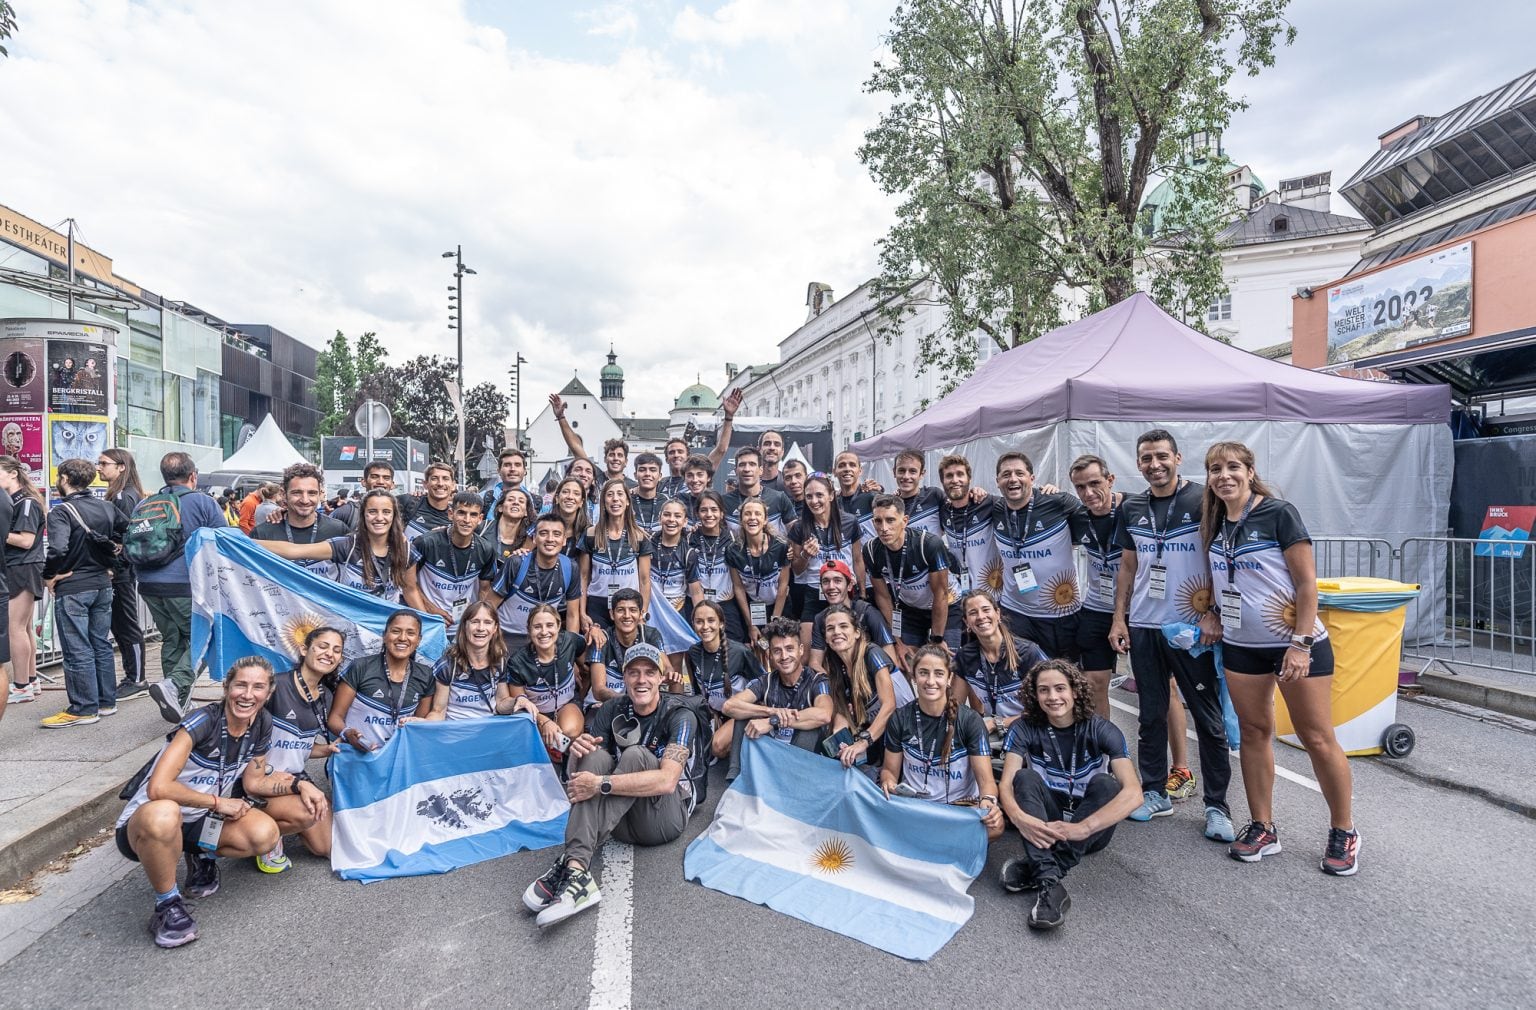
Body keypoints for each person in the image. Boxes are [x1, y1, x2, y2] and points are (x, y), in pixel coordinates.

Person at [1198, 441, 1358, 875]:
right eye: (1215, 469)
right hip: (1242, 645)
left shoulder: (1277, 513)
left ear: (1250, 471)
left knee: (1316, 737)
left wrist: (1301, 643)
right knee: (1253, 732)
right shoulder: (1214, 520)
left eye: (1233, 467)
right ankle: (1263, 826)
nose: (1224, 475)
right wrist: (1213, 612)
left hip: (1295, 645)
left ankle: (1343, 830)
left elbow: (1308, 585)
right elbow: (1222, 578)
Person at [116, 657, 327, 948]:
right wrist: (217, 802)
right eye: (240, 685)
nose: (248, 694)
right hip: (148, 820)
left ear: (268, 693)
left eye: (258, 687)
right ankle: (167, 905)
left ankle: (200, 854)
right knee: (165, 813)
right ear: (227, 687)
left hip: (199, 819)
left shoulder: (262, 722)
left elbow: (254, 782)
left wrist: (299, 783)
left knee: (264, 834)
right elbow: (159, 788)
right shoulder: (202, 721)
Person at [522, 642, 707, 928]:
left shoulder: (680, 714)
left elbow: (668, 781)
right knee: (595, 754)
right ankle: (576, 869)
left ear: (660, 678)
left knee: (636, 755)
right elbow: (580, 778)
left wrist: (600, 784)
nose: (641, 680)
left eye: (649, 672)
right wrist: (576, 755)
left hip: (663, 819)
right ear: (624, 678)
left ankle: (571, 859)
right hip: (619, 819)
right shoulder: (612, 708)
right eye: (633, 673)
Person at [1109, 429, 1234, 841]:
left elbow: (1222, 558)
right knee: (1151, 714)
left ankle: (1218, 807)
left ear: (1178, 458)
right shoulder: (1133, 506)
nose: (1154, 465)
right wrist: (1119, 618)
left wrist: (1215, 613)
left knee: (1208, 719)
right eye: (1146, 458)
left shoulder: (1203, 500)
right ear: (1139, 463)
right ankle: (1154, 791)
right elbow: (1127, 566)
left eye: (1161, 456)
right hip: (1144, 625)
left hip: (1190, 629)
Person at [996, 659, 1143, 930]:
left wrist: (1083, 827)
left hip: (1089, 829)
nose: (1053, 697)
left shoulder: (1101, 728)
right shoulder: (1024, 727)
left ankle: (1041, 873)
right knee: (1024, 777)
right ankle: (1051, 886)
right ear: (1034, 695)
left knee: (1106, 784)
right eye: (1044, 690)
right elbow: (1006, 784)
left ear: (1075, 691)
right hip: (1046, 821)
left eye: (1060, 688)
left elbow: (1134, 793)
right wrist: (1018, 818)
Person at [878, 646, 1003, 841]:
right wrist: (888, 782)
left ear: (949, 678)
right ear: (913, 677)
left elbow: (986, 780)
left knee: (995, 826)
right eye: (923, 673)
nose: (930, 681)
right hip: (917, 807)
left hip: (959, 806)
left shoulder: (969, 720)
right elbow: (889, 771)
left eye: (938, 674)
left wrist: (988, 800)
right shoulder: (900, 718)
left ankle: (932, 844)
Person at [142, 453, 230, 724]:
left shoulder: (146, 503)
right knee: (207, 638)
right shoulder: (203, 502)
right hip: (185, 584)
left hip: (148, 584)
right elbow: (224, 540)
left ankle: (177, 700)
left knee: (173, 639)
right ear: (193, 476)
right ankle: (176, 686)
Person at [988, 451, 1090, 661]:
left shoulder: (1058, 501)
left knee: (1063, 678)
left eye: (1019, 473)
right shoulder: (995, 508)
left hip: (1060, 613)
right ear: (997, 482)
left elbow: (1094, 514)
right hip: (1014, 611)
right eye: (1006, 475)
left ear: (1032, 479)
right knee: (1021, 677)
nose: (1013, 479)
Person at [40, 458, 116, 728]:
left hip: (74, 587)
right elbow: (124, 535)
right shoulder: (106, 507)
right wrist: (111, 565)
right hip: (102, 584)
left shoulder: (61, 512)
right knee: (100, 643)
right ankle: (106, 701)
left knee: (77, 648)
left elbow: (58, 549)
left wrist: (50, 575)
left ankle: (83, 707)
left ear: (64, 479)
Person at [261, 628, 345, 868]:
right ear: (304, 649)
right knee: (309, 812)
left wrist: (327, 749)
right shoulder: (276, 685)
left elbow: (300, 747)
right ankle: (265, 835)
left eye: (336, 650)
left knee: (325, 847)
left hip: (296, 777)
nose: (329, 653)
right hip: (263, 778)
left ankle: (283, 821)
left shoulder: (326, 695)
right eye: (322, 646)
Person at [721, 617, 833, 778]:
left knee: (811, 730)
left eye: (789, 648)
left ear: (801, 650)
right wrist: (771, 711)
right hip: (772, 751)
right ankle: (737, 778)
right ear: (770, 655)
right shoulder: (765, 681)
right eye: (777, 651)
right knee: (743, 716)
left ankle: (795, 782)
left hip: (801, 758)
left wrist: (773, 721)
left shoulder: (817, 680)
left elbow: (824, 714)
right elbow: (729, 706)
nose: (784, 656)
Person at [864, 494, 952, 669]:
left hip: (946, 605)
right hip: (911, 609)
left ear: (904, 521)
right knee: (905, 662)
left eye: (890, 520)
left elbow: (941, 595)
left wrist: (937, 639)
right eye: (878, 521)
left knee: (945, 665)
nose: (884, 528)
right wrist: (898, 642)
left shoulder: (929, 544)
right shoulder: (871, 550)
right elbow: (883, 597)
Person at [328, 610, 436, 751]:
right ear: (384, 636)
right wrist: (347, 733)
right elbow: (335, 718)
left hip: (396, 759)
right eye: (396, 631)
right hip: (355, 756)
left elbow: (418, 727)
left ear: (419, 640)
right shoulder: (361, 667)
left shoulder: (425, 675)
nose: (403, 638)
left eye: (410, 633)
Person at [1068, 454, 1124, 717]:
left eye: (1095, 483)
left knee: (1159, 687)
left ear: (1110, 480)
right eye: (1080, 487)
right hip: (1096, 607)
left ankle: (1179, 760)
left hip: (1137, 610)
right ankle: (1103, 748)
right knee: (1093, 683)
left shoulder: (1133, 508)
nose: (1088, 493)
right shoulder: (1078, 516)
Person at [822, 603, 906, 776]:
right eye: (830, 628)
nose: (836, 632)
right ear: (826, 638)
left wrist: (864, 741)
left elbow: (889, 705)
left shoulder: (872, 653)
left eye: (843, 626)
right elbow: (842, 713)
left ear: (857, 633)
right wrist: (841, 741)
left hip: (903, 731)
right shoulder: (837, 667)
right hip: (878, 733)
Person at [402, 491, 498, 639]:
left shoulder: (485, 549)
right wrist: (429, 612)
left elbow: (484, 591)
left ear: (480, 519)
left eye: (473, 515)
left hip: (462, 628)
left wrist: (477, 621)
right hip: (428, 624)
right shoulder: (426, 543)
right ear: (450, 514)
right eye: (461, 513)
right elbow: (409, 585)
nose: (467, 520)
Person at [484, 513, 583, 653]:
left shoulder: (570, 567)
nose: (550, 539)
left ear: (564, 540)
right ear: (534, 538)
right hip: (507, 637)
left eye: (556, 534)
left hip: (545, 638)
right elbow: (489, 606)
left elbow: (573, 615)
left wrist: (570, 654)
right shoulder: (517, 563)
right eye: (543, 533)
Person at [956, 591, 1049, 738]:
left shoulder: (1027, 652)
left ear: (998, 614)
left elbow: (1047, 708)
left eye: (986, 609)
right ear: (967, 622)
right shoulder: (965, 656)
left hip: (1032, 728)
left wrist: (998, 723)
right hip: (995, 732)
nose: (981, 617)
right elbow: (955, 707)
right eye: (973, 613)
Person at [502, 603, 589, 754]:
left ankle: (562, 757)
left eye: (550, 625)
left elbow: (587, 667)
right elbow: (520, 704)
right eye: (537, 627)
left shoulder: (570, 641)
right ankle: (552, 756)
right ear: (529, 629)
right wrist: (544, 721)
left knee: (569, 732)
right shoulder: (517, 662)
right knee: (546, 737)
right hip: (534, 715)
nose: (544, 632)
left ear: (558, 626)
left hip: (565, 705)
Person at [787, 475, 864, 644]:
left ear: (831, 495)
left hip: (845, 591)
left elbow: (858, 560)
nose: (814, 501)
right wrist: (805, 555)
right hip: (815, 591)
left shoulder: (849, 521)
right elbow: (797, 570)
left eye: (819, 495)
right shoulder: (799, 527)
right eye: (809, 496)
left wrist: (863, 594)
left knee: (847, 643)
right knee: (807, 648)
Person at [98, 447, 148, 699]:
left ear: (121, 467)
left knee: (126, 623)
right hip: (119, 569)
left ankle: (137, 678)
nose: (99, 468)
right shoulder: (119, 495)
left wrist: (115, 562)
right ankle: (133, 675)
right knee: (120, 623)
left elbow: (126, 535)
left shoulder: (124, 497)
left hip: (121, 570)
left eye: (104, 463)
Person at [686, 599, 762, 761]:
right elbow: (698, 691)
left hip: (742, 711)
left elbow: (764, 684)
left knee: (717, 747)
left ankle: (746, 749)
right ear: (693, 625)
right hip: (717, 712)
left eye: (711, 620)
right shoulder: (693, 652)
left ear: (721, 623)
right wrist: (711, 714)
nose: (705, 626)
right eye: (699, 622)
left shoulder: (740, 652)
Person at [937, 453, 999, 650]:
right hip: (960, 601)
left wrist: (1046, 491)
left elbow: (1021, 502)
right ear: (942, 481)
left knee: (995, 651)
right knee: (962, 657)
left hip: (993, 597)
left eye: (959, 475)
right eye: (949, 476)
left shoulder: (988, 503)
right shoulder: (944, 510)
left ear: (969, 479)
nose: (955, 480)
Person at [251, 462, 348, 579]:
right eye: (297, 493)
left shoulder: (338, 530)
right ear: (283, 494)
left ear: (320, 494)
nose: (305, 500)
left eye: (312, 493)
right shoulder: (263, 534)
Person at [579, 477, 652, 631]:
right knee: (598, 650)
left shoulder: (639, 536)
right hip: (597, 605)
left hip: (629, 605)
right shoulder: (591, 534)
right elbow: (583, 577)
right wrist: (582, 613)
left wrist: (642, 612)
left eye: (620, 494)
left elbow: (645, 580)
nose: (615, 499)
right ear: (604, 502)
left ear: (627, 501)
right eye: (610, 495)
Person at [1, 456, 44, 709]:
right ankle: (30, 679)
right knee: (24, 627)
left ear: (13, 474)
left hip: (22, 566)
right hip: (22, 566)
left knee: (15, 627)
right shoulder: (16, 500)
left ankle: (20, 685)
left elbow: (26, 540)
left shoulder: (26, 502)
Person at [423, 601, 508, 721]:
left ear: (495, 628)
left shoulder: (500, 662)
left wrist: (519, 700)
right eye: (475, 622)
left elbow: (501, 703)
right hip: (455, 733)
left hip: (488, 732)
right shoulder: (447, 665)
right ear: (464, 626)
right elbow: (439, 711)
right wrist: (422, 723)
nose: (481, 628)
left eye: (488, 622)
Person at [807, 559, 893, 673]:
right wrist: (830, 686)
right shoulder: (820, 619)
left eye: (837, 581)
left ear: (849, 585)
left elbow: (890, 656)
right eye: (826, 581)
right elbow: (814, 663)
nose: (831, 586)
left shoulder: (867, 612)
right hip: (841, 679)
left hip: (873, 675)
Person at [727, 497, 790, 649]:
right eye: (747, 514)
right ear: (741, 520)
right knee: (755, 649)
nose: (752, 517)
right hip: (751, 609)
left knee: (778, 648)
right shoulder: (733, 550)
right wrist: (751, 625)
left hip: (778, 606)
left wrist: (775, 622)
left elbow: (783, 586)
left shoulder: (781, 546)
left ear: (765, 519)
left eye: (757, 514)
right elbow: (739, 588)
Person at [585, 589, 666, 707]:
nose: (627, 616)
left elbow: (667, 668)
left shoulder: (651, 635)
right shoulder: (601, 638)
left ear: (641, 613)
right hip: (604, 705)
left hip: (642, 703)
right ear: (612, 614)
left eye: (633, 610)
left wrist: (671, 676)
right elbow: (598, 690)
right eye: (620, 610)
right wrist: (631, 701)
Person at [549, 391, 632, 487]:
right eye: (612, 455)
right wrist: (561, 417)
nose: (615, 458)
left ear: (626, 461)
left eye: (620, 455)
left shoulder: (633, 486)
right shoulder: (595, 476)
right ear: (605, 459)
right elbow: (576, 448)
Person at [688, 489, 737, 636]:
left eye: (714, 510)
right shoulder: (689, 538)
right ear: (697, 514)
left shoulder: (733, 538)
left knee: (733, 646)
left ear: (722, 513)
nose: (709, 515)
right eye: (704, 510)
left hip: (725, 603)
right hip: (697, 602)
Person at [722, 446, 795, 537]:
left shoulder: (779, 498)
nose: (747, 469)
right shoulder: (724, 502)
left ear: (761, 470)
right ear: (735, 470)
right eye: (742, 465)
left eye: (752, 464)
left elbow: (795, 534)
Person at [891, 449, 945, 534]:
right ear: (894, 472)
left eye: (912, 471)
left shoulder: (934, 496)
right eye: (901, 471)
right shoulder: (891, 504)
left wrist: (972, 494)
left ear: (922, 474)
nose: (906, 476)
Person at [331, 461, 395, 528]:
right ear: (364, 482)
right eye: (374, 477)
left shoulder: (402, 512)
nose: (381, 482)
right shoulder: (346, 512)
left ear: (393, 484)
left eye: (386, 478)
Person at [402, 462, 456, 542]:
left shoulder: (456, 517)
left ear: (453, 485)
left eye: (445, 478)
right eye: (434, 478)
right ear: (425, 484)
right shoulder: (409, 503)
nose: (440, 483)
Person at [488, 486, 537, 563]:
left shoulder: (529, 540)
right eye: (510, 499)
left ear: (526, 512)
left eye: (521, 501)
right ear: (500, 508)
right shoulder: (483, 528)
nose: (516, 503)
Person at [548, 476, 593, 559]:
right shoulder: (543, 526)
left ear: (581, 502)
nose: (570, 497)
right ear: (557, 498)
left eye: (576, 493)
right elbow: (526, 553)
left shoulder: (588, 532)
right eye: (565, 492)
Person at [481, 447, 533, 517]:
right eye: (507, 465)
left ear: (525, 471)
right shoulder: (483, 499)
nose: (512, 469)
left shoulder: (536, 503)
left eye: (517, 465)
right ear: (498, 471)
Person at [630, 452, 664, 535]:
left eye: (653, 470)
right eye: (642, 470)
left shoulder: (667, 502)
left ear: (660, 476)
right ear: (635, 475)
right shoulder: (626, 501)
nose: (647, 474)